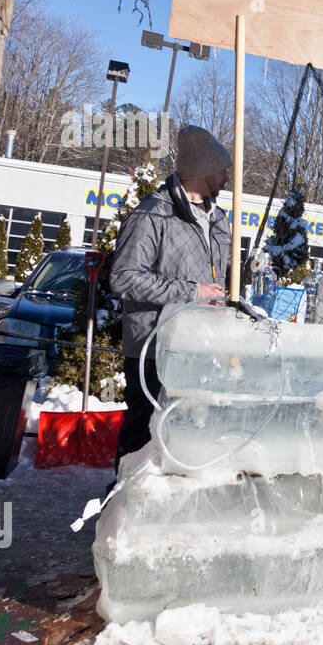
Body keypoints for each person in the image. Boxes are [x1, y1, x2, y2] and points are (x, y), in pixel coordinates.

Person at [111, 126, 233, 473]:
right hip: (152, 347)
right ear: (203, 169)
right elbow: (124, 278)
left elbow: (215, 281)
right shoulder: (153, 214)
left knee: (184, 437)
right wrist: (193, 292)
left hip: (197, 348)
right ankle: (123, 505)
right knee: (142, 437)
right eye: (223, 170)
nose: (227, 178)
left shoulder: (219, 220)